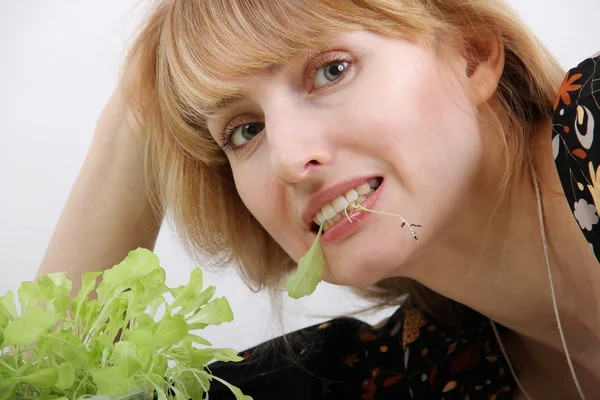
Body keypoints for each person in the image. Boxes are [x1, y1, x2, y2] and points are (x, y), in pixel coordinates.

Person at [37, 0, 600, 399]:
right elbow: (43, 382)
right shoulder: (406, 370)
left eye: (332, 71)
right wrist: (140, 107)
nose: (286, 158)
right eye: (244, 130)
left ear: (472, 55)